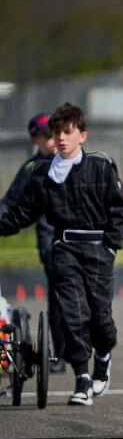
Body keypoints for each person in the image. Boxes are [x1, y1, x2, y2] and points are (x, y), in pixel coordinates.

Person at [0, 103, 123, 405]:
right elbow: (22, 213)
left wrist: (111, 246)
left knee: (101, 319)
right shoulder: (43, 173)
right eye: (56, 133)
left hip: (98, 249)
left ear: (81, 136)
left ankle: (102, 358)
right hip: (63, 251)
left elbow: (119, 212)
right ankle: (82, 378)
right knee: (73, 316)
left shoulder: (100, 166)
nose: (61, 138)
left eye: (67, 132)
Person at [0, 113, 66, 372]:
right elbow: (10, 204)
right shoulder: (32, 169)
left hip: (83, 243)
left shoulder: (79, 163)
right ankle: (60, 355)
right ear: (35, 139)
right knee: (59, 297)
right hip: (52, 243)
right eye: (47, 136)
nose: (53, 140)